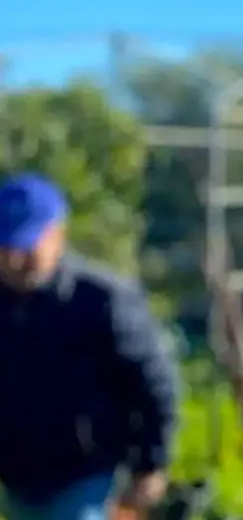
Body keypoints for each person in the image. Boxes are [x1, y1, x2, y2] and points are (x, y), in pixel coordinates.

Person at [0, 173, 179, 520]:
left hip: (87, 474)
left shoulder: (103, 300)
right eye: (4, 249)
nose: (13, 262)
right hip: (19, 478)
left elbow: (154, 382)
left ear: (56, 235)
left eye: (26, 249)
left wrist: (151, 464)